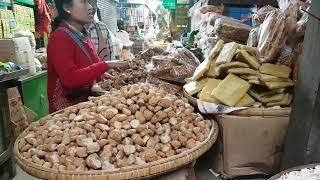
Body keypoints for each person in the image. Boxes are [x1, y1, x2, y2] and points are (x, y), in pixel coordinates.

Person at [47, 0, 128, 113]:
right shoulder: (60, 37)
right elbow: (70, 78)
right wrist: (106, 64)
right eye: (83, 2)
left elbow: (89, 67)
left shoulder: (83, 35)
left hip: (84, 107)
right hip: (66, 112)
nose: (90, 7)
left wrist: (102, 74)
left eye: (90, 2)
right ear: (66, 7)